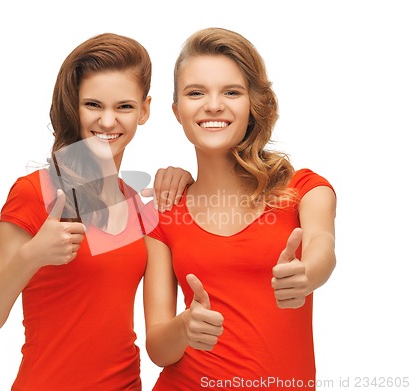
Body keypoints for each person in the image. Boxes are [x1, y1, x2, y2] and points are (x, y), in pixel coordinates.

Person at [0, 32, 193, 390]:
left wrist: (184, 177)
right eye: (93, 105)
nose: (107, 121)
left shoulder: (138, 205)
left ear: (145, 110)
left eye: (124, 107)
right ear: (74, 105)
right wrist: (31, 257)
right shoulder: (36, 192)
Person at [143, 27, 337, 390]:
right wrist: (184, 327)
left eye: (231, 92)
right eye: (196, 92)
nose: (213, 105)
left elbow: (321, 246)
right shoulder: (163, 212)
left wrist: (306, 275)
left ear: (253, 104)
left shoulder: (303, 189)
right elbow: (158, 348)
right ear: (176, 110)